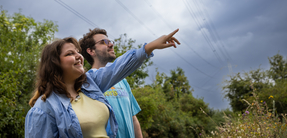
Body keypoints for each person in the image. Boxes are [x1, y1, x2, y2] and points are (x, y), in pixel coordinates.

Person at [25, 29, 180, 138]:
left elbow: (117, 68)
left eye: (77, 52)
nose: (78, 56)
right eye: (70, 53)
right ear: (55, 63)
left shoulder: (90, 85)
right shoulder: (44, 108)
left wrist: (149, 47)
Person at [79, 28, 142, 138]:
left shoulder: (123, 81)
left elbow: (133, 118)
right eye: (104, 42)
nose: (111, 45)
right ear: (91, 51)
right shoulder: (87, 83)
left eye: (110, 41)